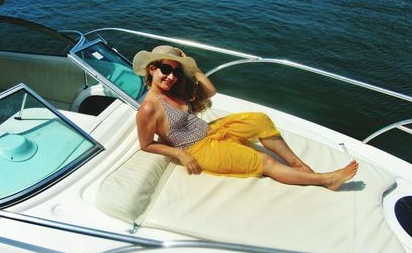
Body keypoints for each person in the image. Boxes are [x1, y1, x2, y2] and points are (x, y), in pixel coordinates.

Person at [133, 45, 358, 191]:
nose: (171, 77)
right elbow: (146, 144)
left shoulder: (174, 91)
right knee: (264, 161)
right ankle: (325, 180)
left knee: (260, 119)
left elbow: (210, 91)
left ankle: (298, 165)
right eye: (165, 69)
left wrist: (194, 67)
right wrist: (178, 153)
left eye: (176, 71)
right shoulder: (149, 108)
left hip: (212, 130)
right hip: (199, 149)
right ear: (152, 69)